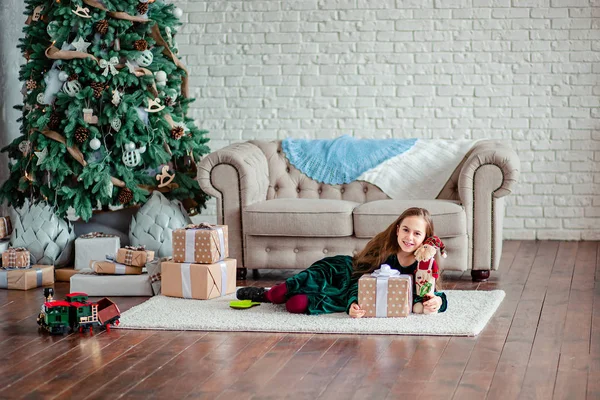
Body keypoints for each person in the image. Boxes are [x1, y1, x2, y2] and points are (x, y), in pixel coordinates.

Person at [236, 207, 447, 318]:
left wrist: (437, 302)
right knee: (281, 293)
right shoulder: (385, 250)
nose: (409, 237)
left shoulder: (424, 263)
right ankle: (264, 294)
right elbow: (360, 277)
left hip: (344, 294)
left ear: (426, 238)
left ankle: (285, 295)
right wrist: (353, 299)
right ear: (397, 228)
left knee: (295, 305)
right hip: (343, 272)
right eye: (405, 230)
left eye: (417, 234)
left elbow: (433, 292)